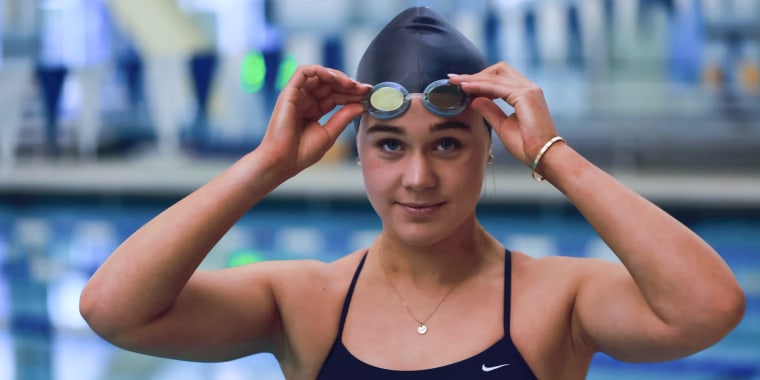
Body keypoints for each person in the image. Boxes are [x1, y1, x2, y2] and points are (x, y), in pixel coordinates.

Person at [79, 7, 745, 379]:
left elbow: (708, 308)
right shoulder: (303, 301)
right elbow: (113, 310)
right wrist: (267, 164)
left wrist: (554, 155)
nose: (418, 178)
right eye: (390, 145)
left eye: (449, 145)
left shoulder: (555, 300)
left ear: (491, 146)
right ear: (361, 151)